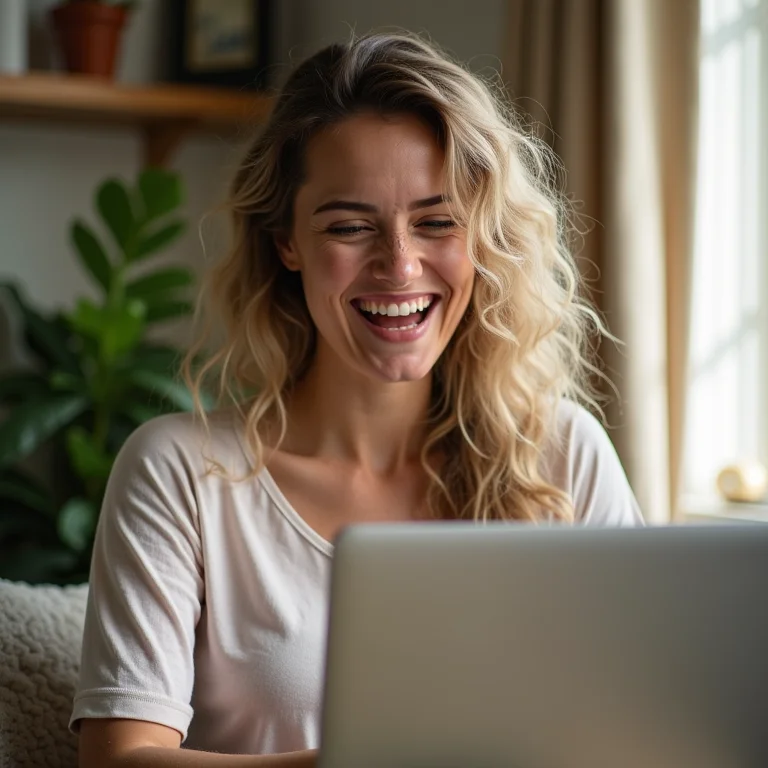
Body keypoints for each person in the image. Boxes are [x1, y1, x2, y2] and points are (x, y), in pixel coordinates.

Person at [70, 31, 643, 768]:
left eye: (437, 222)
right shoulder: (180, 472)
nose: (399, 266)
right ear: (286, 241)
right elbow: (118, 759)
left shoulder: (563, 456)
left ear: (484, 237)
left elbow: (640, 726)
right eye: (349, 227)